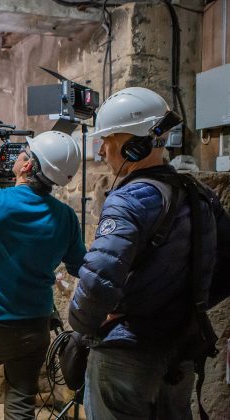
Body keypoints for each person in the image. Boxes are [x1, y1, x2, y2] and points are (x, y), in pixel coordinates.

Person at [68, 87, 230, 419]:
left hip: (127, 354)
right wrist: (190, 307)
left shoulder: (128, 200)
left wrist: (84, 325)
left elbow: (98, 281)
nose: (102, 150)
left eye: (108, 140)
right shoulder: (200, 195)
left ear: (134, 145)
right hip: (180, 348)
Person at [0, 131, 86, 419]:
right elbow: (77, 265)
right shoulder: (67, 217)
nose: (18, 155)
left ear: (27, 167)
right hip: (34, 327)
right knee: (22, 401)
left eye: (23, 153)